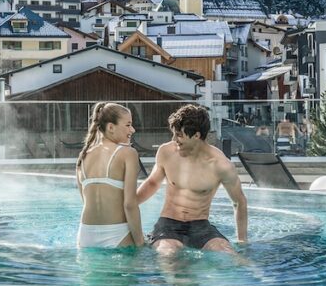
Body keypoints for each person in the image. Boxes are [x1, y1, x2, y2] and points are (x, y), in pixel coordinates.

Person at [137, 104, 248, 253]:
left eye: (179, 135)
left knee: (229, 253)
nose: (174, 139)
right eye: (174, 134)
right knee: (168, 253)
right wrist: (129, 204)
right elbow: (152, 183)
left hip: (200, 225)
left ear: (196, 135)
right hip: (168, 223)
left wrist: (242, 240)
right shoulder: (167, 152)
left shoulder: (221, 165)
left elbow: (239, 202)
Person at [76, 102, 145, 248]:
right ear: (111, 127)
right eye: (128, 125)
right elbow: (130, 204)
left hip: (86, 235)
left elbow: (86, 201)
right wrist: (140, 242)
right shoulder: (128, 153)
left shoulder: (83, 156)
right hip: (117, 234)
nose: (132, 130)